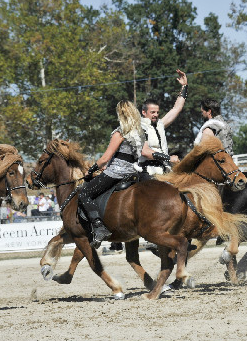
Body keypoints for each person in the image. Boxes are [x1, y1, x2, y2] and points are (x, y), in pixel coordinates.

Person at [79, 100, 177, 248]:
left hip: (116, 173)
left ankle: (99, 228)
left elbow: (105, 158)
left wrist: (91, 170)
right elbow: (147, 152)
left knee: (84, 193)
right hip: (133, 173)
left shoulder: (119, 132)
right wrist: (167, 157)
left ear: (121, 114)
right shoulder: (140, 133)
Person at [139, 69, 188, 176]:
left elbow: (176, 108)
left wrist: (184, 87)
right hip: (147, 171)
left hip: (164, 169)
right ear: (144, 112)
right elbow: (145, 152)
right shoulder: (139, 127)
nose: (156, 115)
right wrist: (169, 158)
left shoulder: (159, 124)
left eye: (157, 112)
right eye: (152, 112)